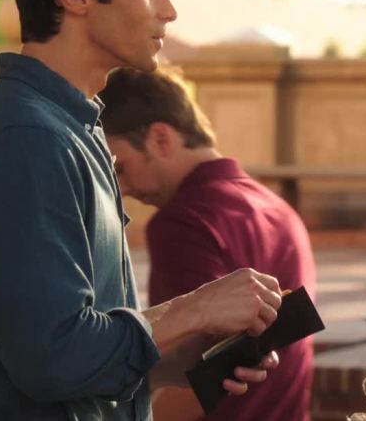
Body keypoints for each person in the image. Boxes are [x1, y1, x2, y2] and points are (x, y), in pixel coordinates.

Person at [0, 0, 283, 419]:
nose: (168, 10)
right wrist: (195, 309)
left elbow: (76, 356)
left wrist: (176, 356)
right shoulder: (22, 137)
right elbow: (52, 359)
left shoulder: (73, 127)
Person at [98, 67, 317, 421]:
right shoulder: (279, 209)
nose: (120, 189)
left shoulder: (184, 221)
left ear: (160, 138)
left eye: (120, 167)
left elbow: (189, 385)